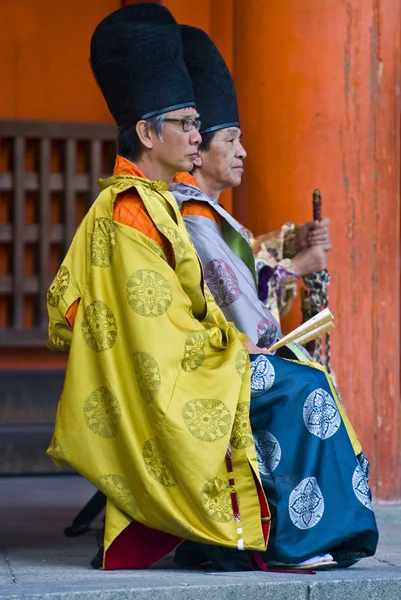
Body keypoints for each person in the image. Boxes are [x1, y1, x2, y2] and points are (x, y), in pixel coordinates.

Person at [46, 4, 271, 570]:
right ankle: (245, 530)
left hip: (180, 361)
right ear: (148, 132)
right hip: (157, 379)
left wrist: (223, 340)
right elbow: (156, 337)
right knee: (293, 387)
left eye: (199, 124)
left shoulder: (159, 202)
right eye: (188, 123)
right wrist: (228, 348)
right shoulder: (126, 210)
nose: (198, 137)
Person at [170, 25, 378, 570]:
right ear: (198, 152)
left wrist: (289, 248)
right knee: (303, 380)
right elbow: (237, 299)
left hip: (225, 350)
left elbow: (244, 267)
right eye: (231, 139)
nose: (243, 151)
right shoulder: (190, 212)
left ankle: (327, 527)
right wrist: (299, 265)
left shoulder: (203, 210)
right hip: (208, 360)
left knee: (309, 375)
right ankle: (297, 533)